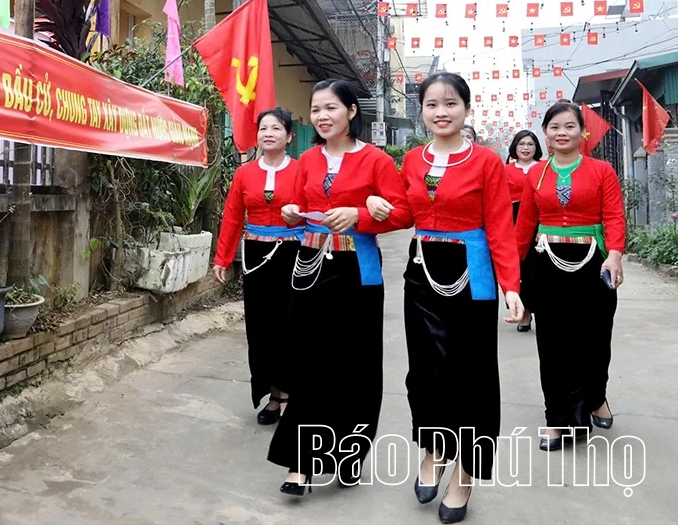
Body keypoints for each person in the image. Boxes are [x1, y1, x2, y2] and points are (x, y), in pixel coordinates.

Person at [369, 74, 523, 524]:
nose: (441, 111)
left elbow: (499, 226)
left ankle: (466, 473)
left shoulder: (487, 163)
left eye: (450, 103)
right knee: (426, 373)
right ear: (421, 110)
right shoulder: (413, 160)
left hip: (471, 278)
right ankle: (435, 449)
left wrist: (511, 287)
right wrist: (377, 211)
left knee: (472, 378)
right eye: (432, 104)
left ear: (466, 109)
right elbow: (405, 213)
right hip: (421, 277)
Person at [271, 79, 411, 496]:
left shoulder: (377, 161)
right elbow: (293, 211)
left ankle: (350, 454)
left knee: (357, 366)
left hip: (358, 270)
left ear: (352, 111)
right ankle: (300, 463)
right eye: (316, 109)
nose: (322, 116)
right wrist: (292, 213)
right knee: (309, 362)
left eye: (331, 108)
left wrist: (360, 214)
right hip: (310, 266)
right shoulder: (307, 160)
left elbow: (403, 213)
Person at [515, 102, 625, 451]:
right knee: (552, 344)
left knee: (595, 340)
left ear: (582, 132)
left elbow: (614, 217)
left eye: (569, 126)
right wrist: (512, 275)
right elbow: (524, 225)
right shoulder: (536, 174)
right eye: (554, 127)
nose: (562, 133)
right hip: (547, 263)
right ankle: (556, 420)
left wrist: (616, 256)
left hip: (594, 263)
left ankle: (596, 398)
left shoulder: (601, 170)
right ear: (545, 133)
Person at [213, 109, 302, 425]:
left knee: (291, 325)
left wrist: (300, 217)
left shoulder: (302, 171)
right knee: (262, 327)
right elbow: (233, 216)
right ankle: (274, 395)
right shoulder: (244, 174)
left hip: (294, 254)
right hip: (256, 256)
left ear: (289, 136)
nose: (268, 133)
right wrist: (222, 258)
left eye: (276, 128)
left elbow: (318, 212)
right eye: (263, 128)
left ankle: (292, 394)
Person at [506, 130, 544, 333]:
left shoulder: (545, 168)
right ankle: (525, 311)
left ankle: (545, 310)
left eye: (530, 144)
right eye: (522, 144)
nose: (526, 148)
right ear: (515, 147)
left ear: (536, 148)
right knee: (520, 268)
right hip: (514, 223)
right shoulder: (506, 171)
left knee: (540, 269)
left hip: (542, 221)